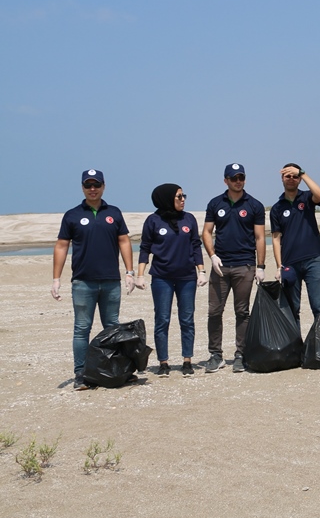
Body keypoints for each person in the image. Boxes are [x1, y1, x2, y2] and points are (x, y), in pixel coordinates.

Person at [51, 170, 136, 390]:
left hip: (110, 281)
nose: (92, 189)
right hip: (82, 282)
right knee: (81, 328)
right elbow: (62, 246)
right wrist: (56, 278)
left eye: (96, 185)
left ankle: (116, 370)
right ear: (82, 187)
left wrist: (129, 272)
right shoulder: (72, 215)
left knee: (113, 327)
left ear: (103, 186)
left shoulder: (114, 213)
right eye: (88, 185)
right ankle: (81, 374)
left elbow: (124, 242)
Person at [136, 184, 207, 377]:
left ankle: (187, 360)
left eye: (184, 195)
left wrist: (201, 270)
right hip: (161, 277)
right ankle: (163, 362)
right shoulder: (153, 221)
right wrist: (140, 275)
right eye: (179, 196)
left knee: (187, 319)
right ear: (167, 199)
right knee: (162, 319)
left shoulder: (189, 219)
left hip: (187, 278)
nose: (183, 199)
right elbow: (145, 248)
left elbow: (195, 246)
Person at [202, 163, 266, 373]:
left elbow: (259, 237)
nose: (238, 181)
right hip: (221, 266)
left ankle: (241, 354)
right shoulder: (215, 203)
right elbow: (206, 232)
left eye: (241, 177)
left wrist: (261, 266)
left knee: (242, 312)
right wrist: (212, 256)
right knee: (214, 312)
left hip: (244, 266)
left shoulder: (254, 205)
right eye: (234, 178)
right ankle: (216, 355)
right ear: (226, 180)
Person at [270, 163, 320, 331]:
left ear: (300, 179)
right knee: (293, 309)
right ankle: (297, 350)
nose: (291, 179)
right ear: (282, 178)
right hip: (290, 264)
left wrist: (302, 172)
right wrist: (279, 265)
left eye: (295, 176)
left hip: (312, 259)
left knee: (319, 307)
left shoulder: (307, 198)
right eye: (288, 176)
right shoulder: (277, 208)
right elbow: (275, 238)